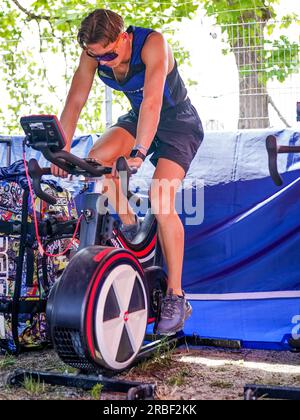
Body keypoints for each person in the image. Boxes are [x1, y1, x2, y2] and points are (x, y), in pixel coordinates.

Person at [52, 9, 204, 335]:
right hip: (138, 118)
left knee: (161, 199)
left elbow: (152, 102)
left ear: (124, 36)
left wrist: (138, 153)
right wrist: (60, 149)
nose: (103, 62)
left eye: (109, 54)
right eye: (96, 57)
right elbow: (75, 100)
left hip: (177, 124)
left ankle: (177, 295)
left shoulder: (153, 44)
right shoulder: (94, 54)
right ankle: (133, 229)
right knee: (97, 161)